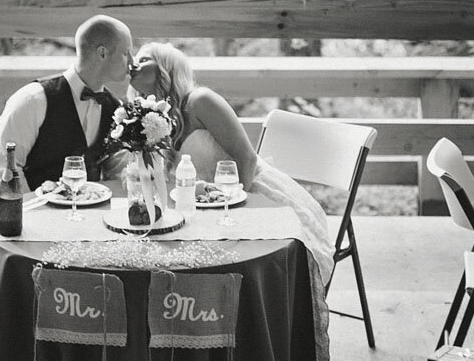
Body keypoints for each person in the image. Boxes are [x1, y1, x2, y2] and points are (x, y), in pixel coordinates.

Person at [130, 41, 334, 281]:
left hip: (250, 197)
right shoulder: (150, 118)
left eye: (144, 59)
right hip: (206, 209)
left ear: (167, 68)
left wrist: (235, 215)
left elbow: (246, 158)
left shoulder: (201, 101)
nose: (134, 64)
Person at [0, 14, 134, 191]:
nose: (132, 62)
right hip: (36, 212)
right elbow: (3, 169)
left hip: (89, 213)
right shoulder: (33, 100)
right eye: (126, 53)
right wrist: (33, 212)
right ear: (102, 53)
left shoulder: (113, 108)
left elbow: (118, 170)